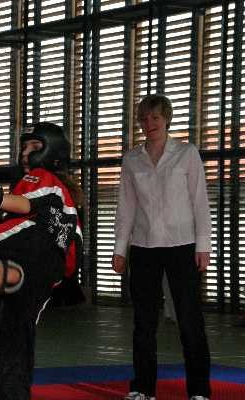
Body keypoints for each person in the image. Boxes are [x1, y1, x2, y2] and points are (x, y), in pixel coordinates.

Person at [0, 122, 83, 400]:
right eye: (24, 147)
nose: (25, 153)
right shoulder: (65, 193)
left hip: (38, 246)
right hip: (51, 269)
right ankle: (6, 273)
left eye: (34, 147)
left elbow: (26, 205)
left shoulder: (42, 177)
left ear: (53, 153)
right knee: (16, 333)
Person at [111, 94, 211, 400]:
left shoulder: (187, 153)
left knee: (189, 320)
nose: (149, 123)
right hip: (143, 247)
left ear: (166, 119)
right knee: (143, 323)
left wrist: (204, 246)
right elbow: (126, 207)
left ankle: (199, 391)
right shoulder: (131, 160)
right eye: (143, 119)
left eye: (155, 117)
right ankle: (143, 388)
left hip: (183, 245)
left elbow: (200, 202)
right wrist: (119, 249)